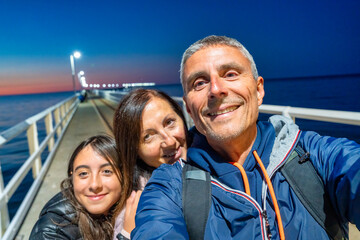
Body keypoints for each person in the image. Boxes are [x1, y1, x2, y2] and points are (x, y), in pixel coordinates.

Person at [131, 35, 360, 239]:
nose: (216, 89)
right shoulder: (170, 186)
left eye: (230, 74)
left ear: (259, 90)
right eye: (199, 83)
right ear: (189, 110)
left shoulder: (313, 156)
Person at [113, 89, 189, 239]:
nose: (170, 141)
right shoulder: (138, 208)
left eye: (169, 122)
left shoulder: (214, 156)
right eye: (148, 136)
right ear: (135, 152)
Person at [30, 135, 124, 240]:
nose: (94, 185)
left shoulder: (132, 206)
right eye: (83, 173)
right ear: (72, 177)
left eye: (106, 171)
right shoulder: (51, 232)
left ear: (125, 175)